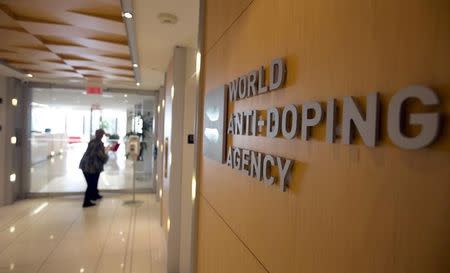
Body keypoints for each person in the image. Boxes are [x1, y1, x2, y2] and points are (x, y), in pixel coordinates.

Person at [79, 129, 109, 207]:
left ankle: (95, 195)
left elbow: (94, 152)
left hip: (85, 164)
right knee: (91, 183)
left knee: (94, 181)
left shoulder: (92, 141)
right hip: (92, 166)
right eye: (102, 134)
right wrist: (107, 155)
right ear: (101, 135)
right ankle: (86, 202)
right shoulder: (99, 143)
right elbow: (100, 155)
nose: (102, 135)